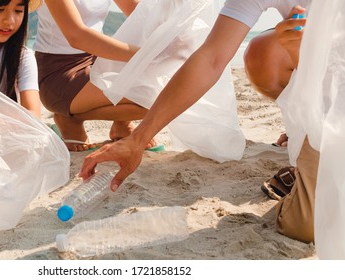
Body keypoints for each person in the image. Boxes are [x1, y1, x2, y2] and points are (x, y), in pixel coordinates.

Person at [80, 0, 316, 243]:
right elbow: (210, 58)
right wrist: (138, 139)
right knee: (306, 227)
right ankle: (304, 143)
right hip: (326, 98)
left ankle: (309, 150)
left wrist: (315, 50)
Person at [33, 0, 159, 151]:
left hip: (97, 59)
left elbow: (142, 15)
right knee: (152, 96)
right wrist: (145, 56)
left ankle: (121, 124)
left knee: (162, 90)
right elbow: (76, 36)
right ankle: (68, 117)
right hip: (60, 71)